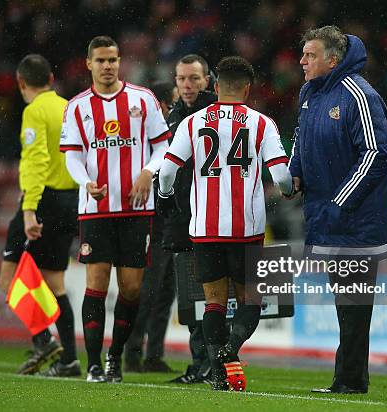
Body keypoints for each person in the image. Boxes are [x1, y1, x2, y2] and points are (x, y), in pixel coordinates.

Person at [158, 56, 293, 391]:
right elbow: (281, 175)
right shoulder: (262, 123)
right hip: (246, 228)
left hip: (204, 227)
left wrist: (164, 193)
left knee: (214, 302)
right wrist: (290, 190)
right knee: (251, 300)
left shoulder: (193, 122)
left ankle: (219, 371)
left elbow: (169, 171)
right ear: (247, 89)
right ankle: (232, 347)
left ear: (215, 86)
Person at [288, 26, 387, 394]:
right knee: (345, 302)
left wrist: (340, 201)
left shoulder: (358, 94)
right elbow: (300, 136)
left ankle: (349, 380)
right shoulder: (310, 93)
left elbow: (377, 152)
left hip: (358, 220)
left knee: (352, 304)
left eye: (310, 55)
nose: (302, 61)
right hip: (328, 217)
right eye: (303, 54)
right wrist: (296, 169)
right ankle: (350, 378)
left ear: (332, 60)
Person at [61, 36, 170, 383]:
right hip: (95, 208)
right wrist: (85, 182)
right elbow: (73, 156)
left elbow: (162, 147)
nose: (107, 66)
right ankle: (93, 363)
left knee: (132, 288)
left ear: (120, 61)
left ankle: (115, 357)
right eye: (101, 60)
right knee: (96, 282)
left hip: (137, 208)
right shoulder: (78, 106)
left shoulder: (143, 99)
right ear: (88, 64)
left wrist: (147, 172)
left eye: (112, 59)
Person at [0, 54, 80, 377]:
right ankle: (70, 360)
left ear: (21, 83)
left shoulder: (34, 111)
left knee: (9, 277)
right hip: (70, 199)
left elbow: (35, 160)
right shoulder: (70, 108)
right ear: (50, 79)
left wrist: (29, 210)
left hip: (42, 200)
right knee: (55, 282)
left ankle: (43, 339)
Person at [163, 54, 219, 384]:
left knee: (209, 296)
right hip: (182, 217)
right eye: (182, 79)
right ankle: (202, 361)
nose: (187, 85)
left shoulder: (214, 115)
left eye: (194, 79)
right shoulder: (175, 115)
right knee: (191, 298)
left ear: (208, 80)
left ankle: (214, 360)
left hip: (210, 217)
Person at [123, 80, 176, 373]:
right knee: (149, 290)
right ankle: (132, 352)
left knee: (165, 292)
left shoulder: (172, 129)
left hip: (172, 222)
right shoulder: (149, 136)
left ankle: (153, 354)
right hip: (152, 223)